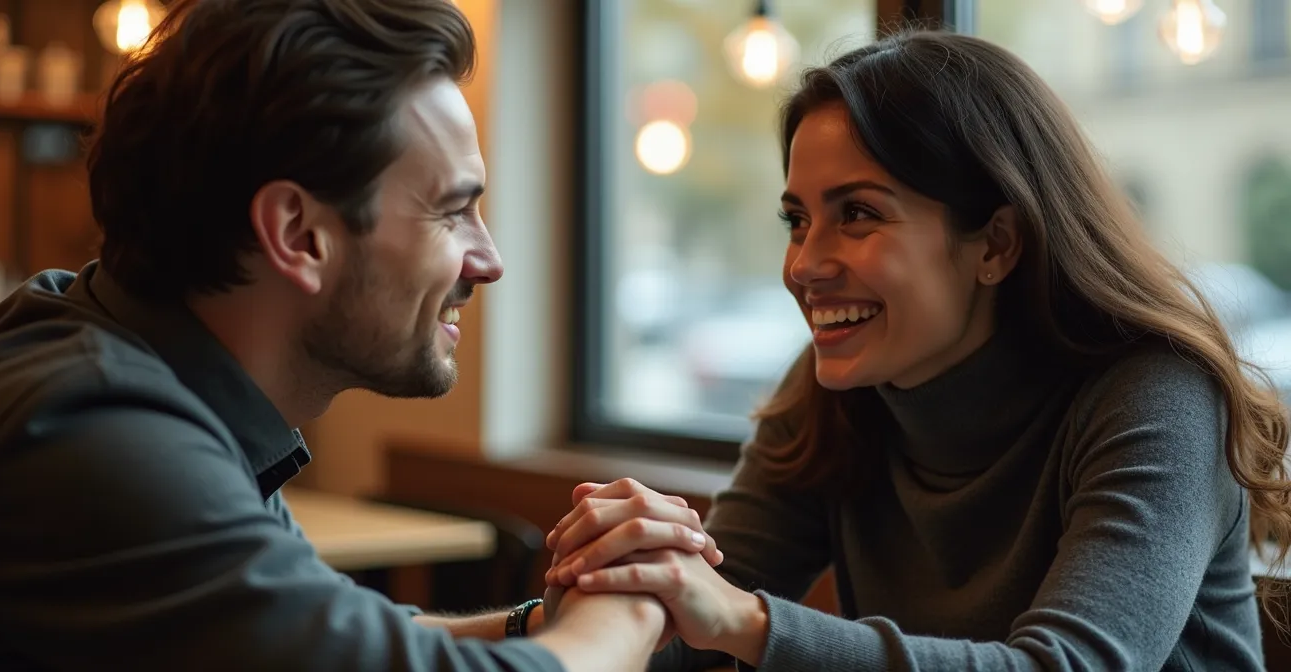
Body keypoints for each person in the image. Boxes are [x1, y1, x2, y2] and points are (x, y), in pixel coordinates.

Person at [0, 1, 717, 670]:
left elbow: (338, 641)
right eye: (451, 212)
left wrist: (545, 624)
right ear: (298, 233)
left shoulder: (126, 354)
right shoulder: (95, 435)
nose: (489, 261)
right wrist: (629, 601)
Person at [542, 30, 1291, 671]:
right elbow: (689, 622)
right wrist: (606, 585)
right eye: (798, 220)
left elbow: (1066, 666)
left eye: (858, 214)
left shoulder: (1158, 394)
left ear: (995, 243)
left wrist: (743, 619)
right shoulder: (842, 388)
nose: (803, 265)